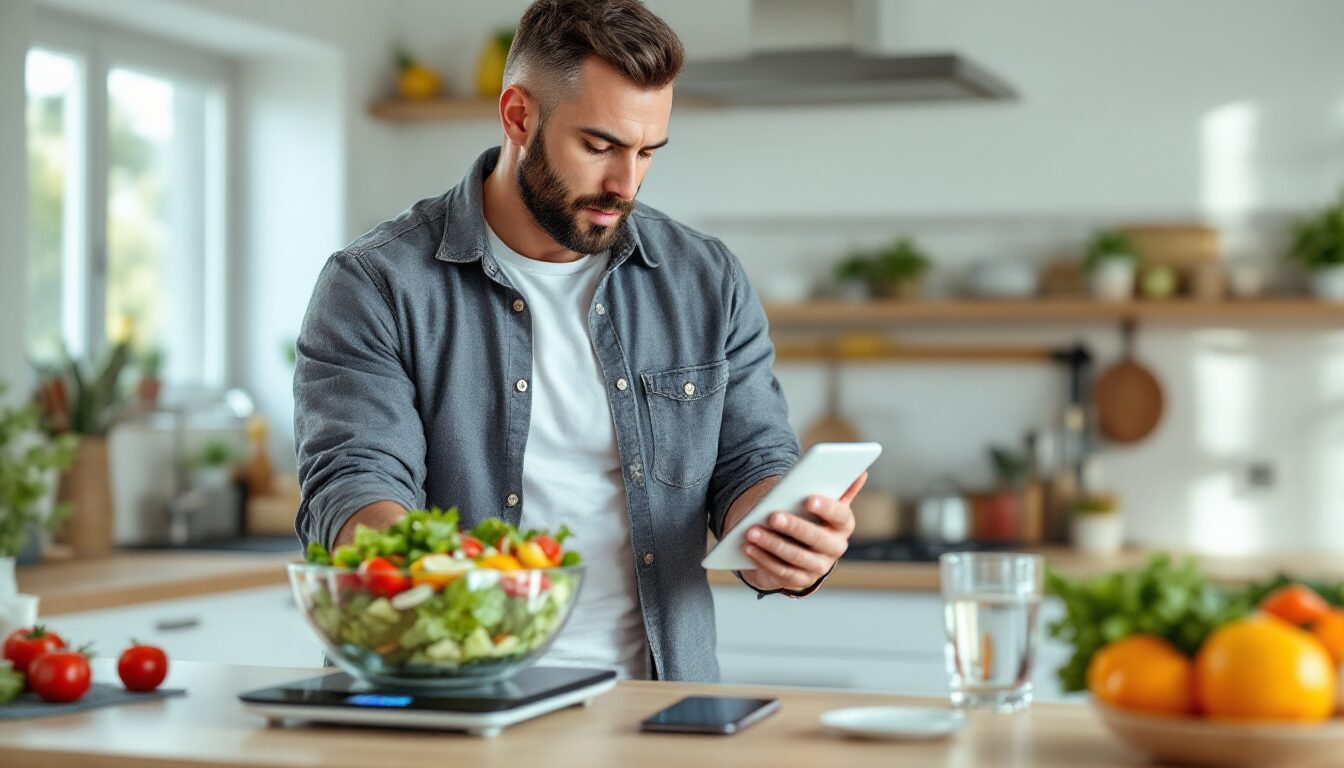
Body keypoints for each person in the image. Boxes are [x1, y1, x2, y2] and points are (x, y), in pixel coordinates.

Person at [293, 0, 865, 683]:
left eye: (646, 152)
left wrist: (783, 535)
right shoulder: (375, 283)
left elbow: (752, 461)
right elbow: (356, 479)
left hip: (653, 704)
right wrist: (423, 574)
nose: (625, 185)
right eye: (599, 147)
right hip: (447, 698)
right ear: (518, 116)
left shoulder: (704, 279)